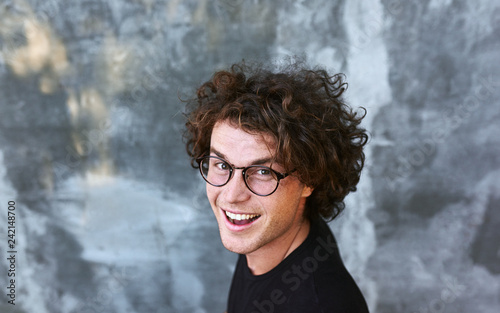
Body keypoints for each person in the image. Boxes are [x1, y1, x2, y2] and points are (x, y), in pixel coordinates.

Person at [184, 61, 369, 313]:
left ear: (309, 179)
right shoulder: (269, 234)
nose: (232, 195)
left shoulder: (321, 303)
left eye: (262, 171)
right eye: (222, 164)